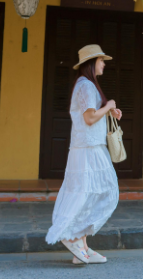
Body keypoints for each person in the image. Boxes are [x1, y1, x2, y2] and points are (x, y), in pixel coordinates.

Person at [45, 44, 121, 265]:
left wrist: (109, 110)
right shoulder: (86, 85)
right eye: (101, 60)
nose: (104, 64)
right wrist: (109, 105)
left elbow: (90, 115)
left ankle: (83, 245)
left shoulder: (86, 84)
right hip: (88, 148)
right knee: (95, 192)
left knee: (90, 193)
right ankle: (73, 238)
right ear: (91, 62)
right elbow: (89, 118)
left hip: (89, 146)